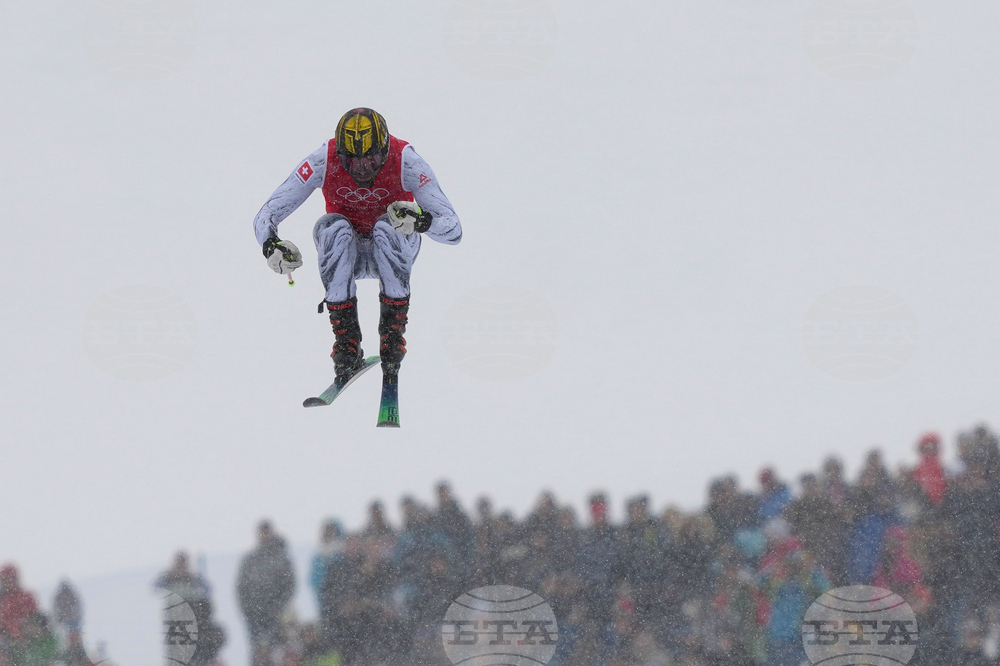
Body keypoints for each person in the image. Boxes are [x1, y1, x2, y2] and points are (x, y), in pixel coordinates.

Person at [252, 107, 462, 389]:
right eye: (351, 161)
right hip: (345, 252)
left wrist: (421, 221)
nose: (362, 168)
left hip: (394, 247)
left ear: (385, 149)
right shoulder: (321, 161)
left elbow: (453, 230)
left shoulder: (407, 161)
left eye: (371, 158)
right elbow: (268, 212)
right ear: (339, 154)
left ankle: (392, 333)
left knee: (388, 226)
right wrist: (270, 244)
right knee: (332, 227)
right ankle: (346, 342)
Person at [236, 520, 296, 665]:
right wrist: (248, 609)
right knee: (258, 651)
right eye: (262, 532)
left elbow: (290, 585)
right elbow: (241, 588)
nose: (264, 535)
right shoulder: (250, 559)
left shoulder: (281, 558)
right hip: (254, 615)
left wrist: (278, 606)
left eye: (267, 532)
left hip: (276, 614)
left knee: (277, 650)